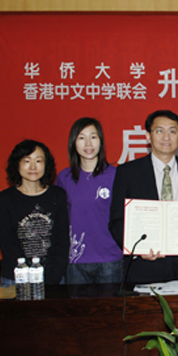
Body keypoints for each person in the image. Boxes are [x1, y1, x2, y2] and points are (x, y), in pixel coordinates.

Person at [109, 110, 178, 283]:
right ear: (148, 136)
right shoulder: (128, 172)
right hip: (143, 266)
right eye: (159, 131)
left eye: (172, 131)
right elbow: (117, 221)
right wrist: (138, 249)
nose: (166, 137)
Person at [56, 118, 123, 284]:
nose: (88, 143)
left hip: (110, 258)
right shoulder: (64, 177)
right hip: (76, 259)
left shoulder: (116, 175)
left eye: (93, 137)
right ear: (73, 142)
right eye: (81, 137)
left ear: (101, 141)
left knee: (111, 302)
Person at [0, 139, 69, 285]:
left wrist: (52, 278)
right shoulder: (5, 198)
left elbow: (62, 241)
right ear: (17, 164)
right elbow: (7, 243)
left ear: (46, 164)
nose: (33, 167)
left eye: (38, 161)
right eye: (27, 161)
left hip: (52, 278)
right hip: (16, 277)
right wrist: (26, 274)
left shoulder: (57, 195)